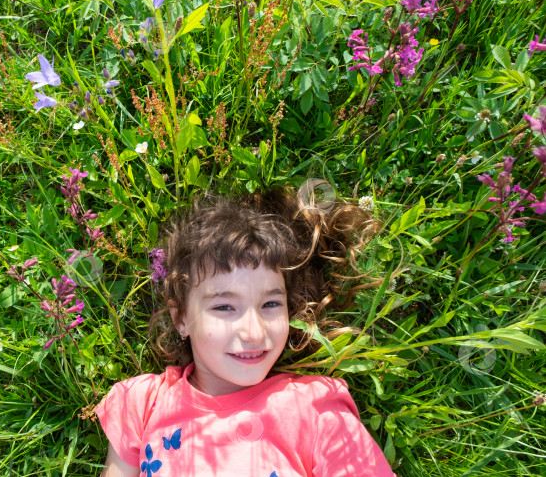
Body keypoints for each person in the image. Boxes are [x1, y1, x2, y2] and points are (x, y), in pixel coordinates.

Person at [95, 186, 395, 476]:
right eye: (225, 307)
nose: (254, 332)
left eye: (270, 304)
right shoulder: (141, 403)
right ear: (181, 317)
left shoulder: (317, 410)